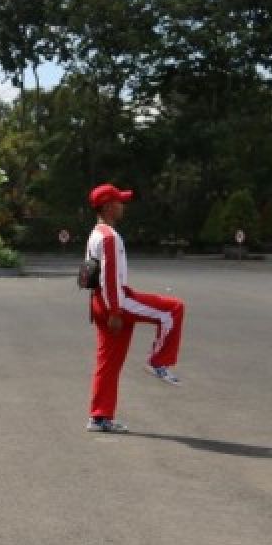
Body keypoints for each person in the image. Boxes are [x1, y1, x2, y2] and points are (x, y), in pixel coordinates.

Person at [84, 184, 186, 433]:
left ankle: (99, 417)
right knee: (173, 309)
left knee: (108, 362)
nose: (123, 206)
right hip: (115, 302)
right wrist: (116, 311)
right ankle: (158, 360)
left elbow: (91, 274)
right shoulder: (109, 237)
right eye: (119, 201)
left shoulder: (96, 232)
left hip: (100, 301)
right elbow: (109, 277)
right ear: (108, 206)